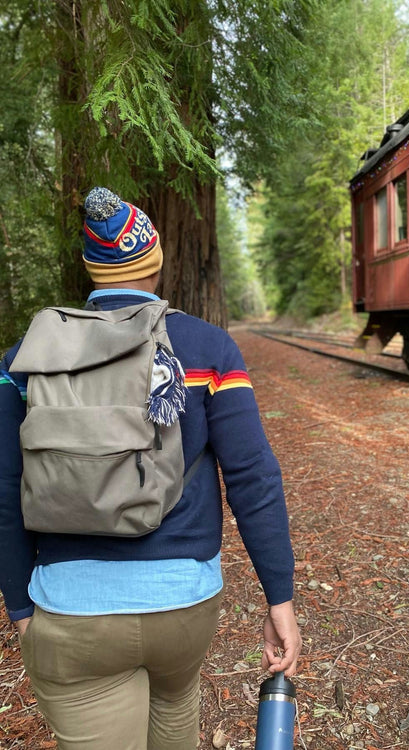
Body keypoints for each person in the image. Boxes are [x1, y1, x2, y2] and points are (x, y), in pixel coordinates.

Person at [0, 187, 302, 750]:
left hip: (71, 613)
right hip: (182, 606)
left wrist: (20, 606)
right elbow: (253, 478)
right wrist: (278, 598)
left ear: (91, 269)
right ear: (156, 262)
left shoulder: (25, 361)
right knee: (173, 715)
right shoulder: (208, 349)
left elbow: (3, 491)